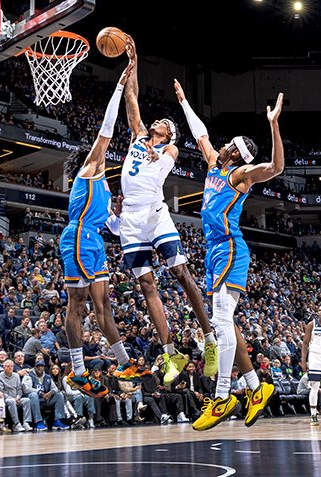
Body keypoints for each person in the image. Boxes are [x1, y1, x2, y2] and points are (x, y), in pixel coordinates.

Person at [175, 80, 282, 431]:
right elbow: (201, 134)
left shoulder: (239, 175)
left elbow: (275, 168)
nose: (219, 145)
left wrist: (274, 124)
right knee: (228, 324)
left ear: (235, 152)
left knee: (221, 324)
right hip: (215, 252)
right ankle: (256, 387)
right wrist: (184, 101)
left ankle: (222, 396)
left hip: (230, 248)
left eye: (228, 144)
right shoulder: (213, 166)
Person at [109, 38, 217, 386]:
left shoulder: (170, 146)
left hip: (156, 214)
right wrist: (133, 62)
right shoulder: (137, 136)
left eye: (164, 122)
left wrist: (159, 154)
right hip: (131, 221)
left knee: (183, 276)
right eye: (157, 121)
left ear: (170, 132)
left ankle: (210, 340)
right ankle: (172, 353)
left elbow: (167, 161)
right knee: (146, 285)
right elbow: (132, 98)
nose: (157, 121)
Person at [60, 43, 147, 399]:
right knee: (78, 304)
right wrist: (118, 85)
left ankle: (124, 361)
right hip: (77, 237)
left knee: (104, 306)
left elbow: (111, 227)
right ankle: (77, 372)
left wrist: (122, 219)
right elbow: (107, 129)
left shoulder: (107, 188)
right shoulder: (88, 170)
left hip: (94, 239)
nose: (107, 152)